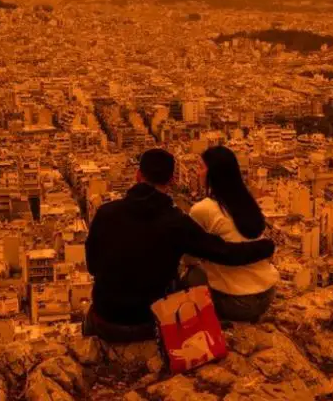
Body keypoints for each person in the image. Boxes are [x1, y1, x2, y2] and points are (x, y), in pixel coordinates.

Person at [84, 148, 276, 342]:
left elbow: (92, 266)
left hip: (105, 321)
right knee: (186, 278)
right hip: (152, 323)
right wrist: (265, 247)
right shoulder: (177, 223)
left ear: (137, 175)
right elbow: (225, 253)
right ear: (171, 181)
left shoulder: (105, 213)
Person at [185, 146, 278, 322]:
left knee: (192, 274)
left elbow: (189, 259)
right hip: (267, 296)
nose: (198, 173)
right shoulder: (246, 203)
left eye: (201, 167)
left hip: (237, 305)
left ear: (214, 173)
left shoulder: (202, 209)